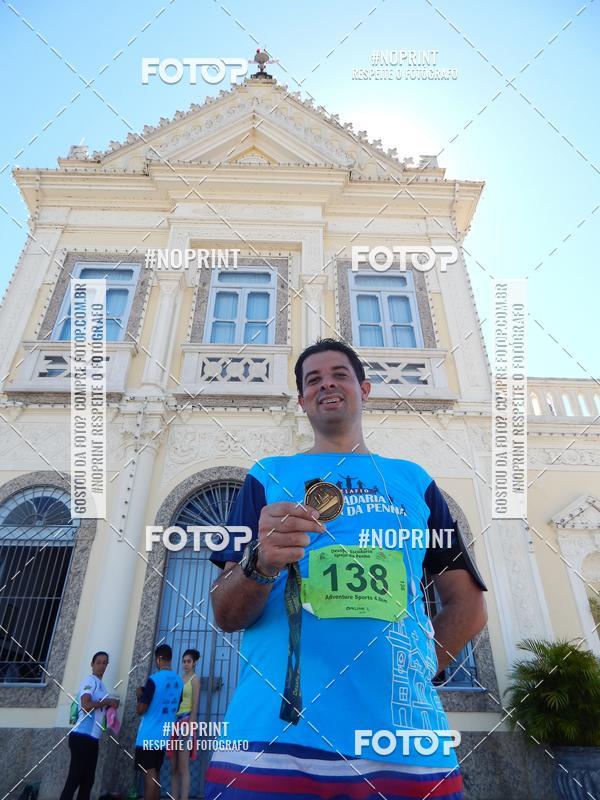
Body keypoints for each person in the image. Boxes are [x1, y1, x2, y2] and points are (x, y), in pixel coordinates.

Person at [205, 338, 488, 800]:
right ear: (301, 400)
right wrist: (261, 562)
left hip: (407, 749)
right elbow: (225, 613)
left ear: (365, 388)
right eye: (312, 380)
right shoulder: (265, 475)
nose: (326, 384)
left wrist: (413, 668)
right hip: (270, 750)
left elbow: (468, 605)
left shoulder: (416, 482)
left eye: (339, 374)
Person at [59, 651, 119, 800]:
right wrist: (106, 702)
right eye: (98, 662)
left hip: (93, 738)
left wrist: (112, 705)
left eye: (105, 663)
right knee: (74, 779)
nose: (102, 666)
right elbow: (86, 705)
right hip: (81, 736)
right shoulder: (89, 681)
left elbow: (100, 708)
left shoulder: (102, 687)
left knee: (88, 781)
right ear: (92, 664)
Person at [134, 644, 183, 800]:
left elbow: (141, 709)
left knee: (149, 777)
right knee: (156, 775)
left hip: (148, 735)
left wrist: (140, 696)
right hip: (164, 736)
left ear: (159, 659)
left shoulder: (153, 680)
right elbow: (177, 706)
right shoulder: (179, 681)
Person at [168, 648, 201, 800]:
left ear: (194, 663)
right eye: (184, 661)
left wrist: (190, 730)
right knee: (173, 768)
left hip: (186, 723)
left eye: (189, 661)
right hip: (175, 723)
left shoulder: (195, 680)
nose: (186, 664)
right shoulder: (179, 679)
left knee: (183, 767)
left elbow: (195, 707)